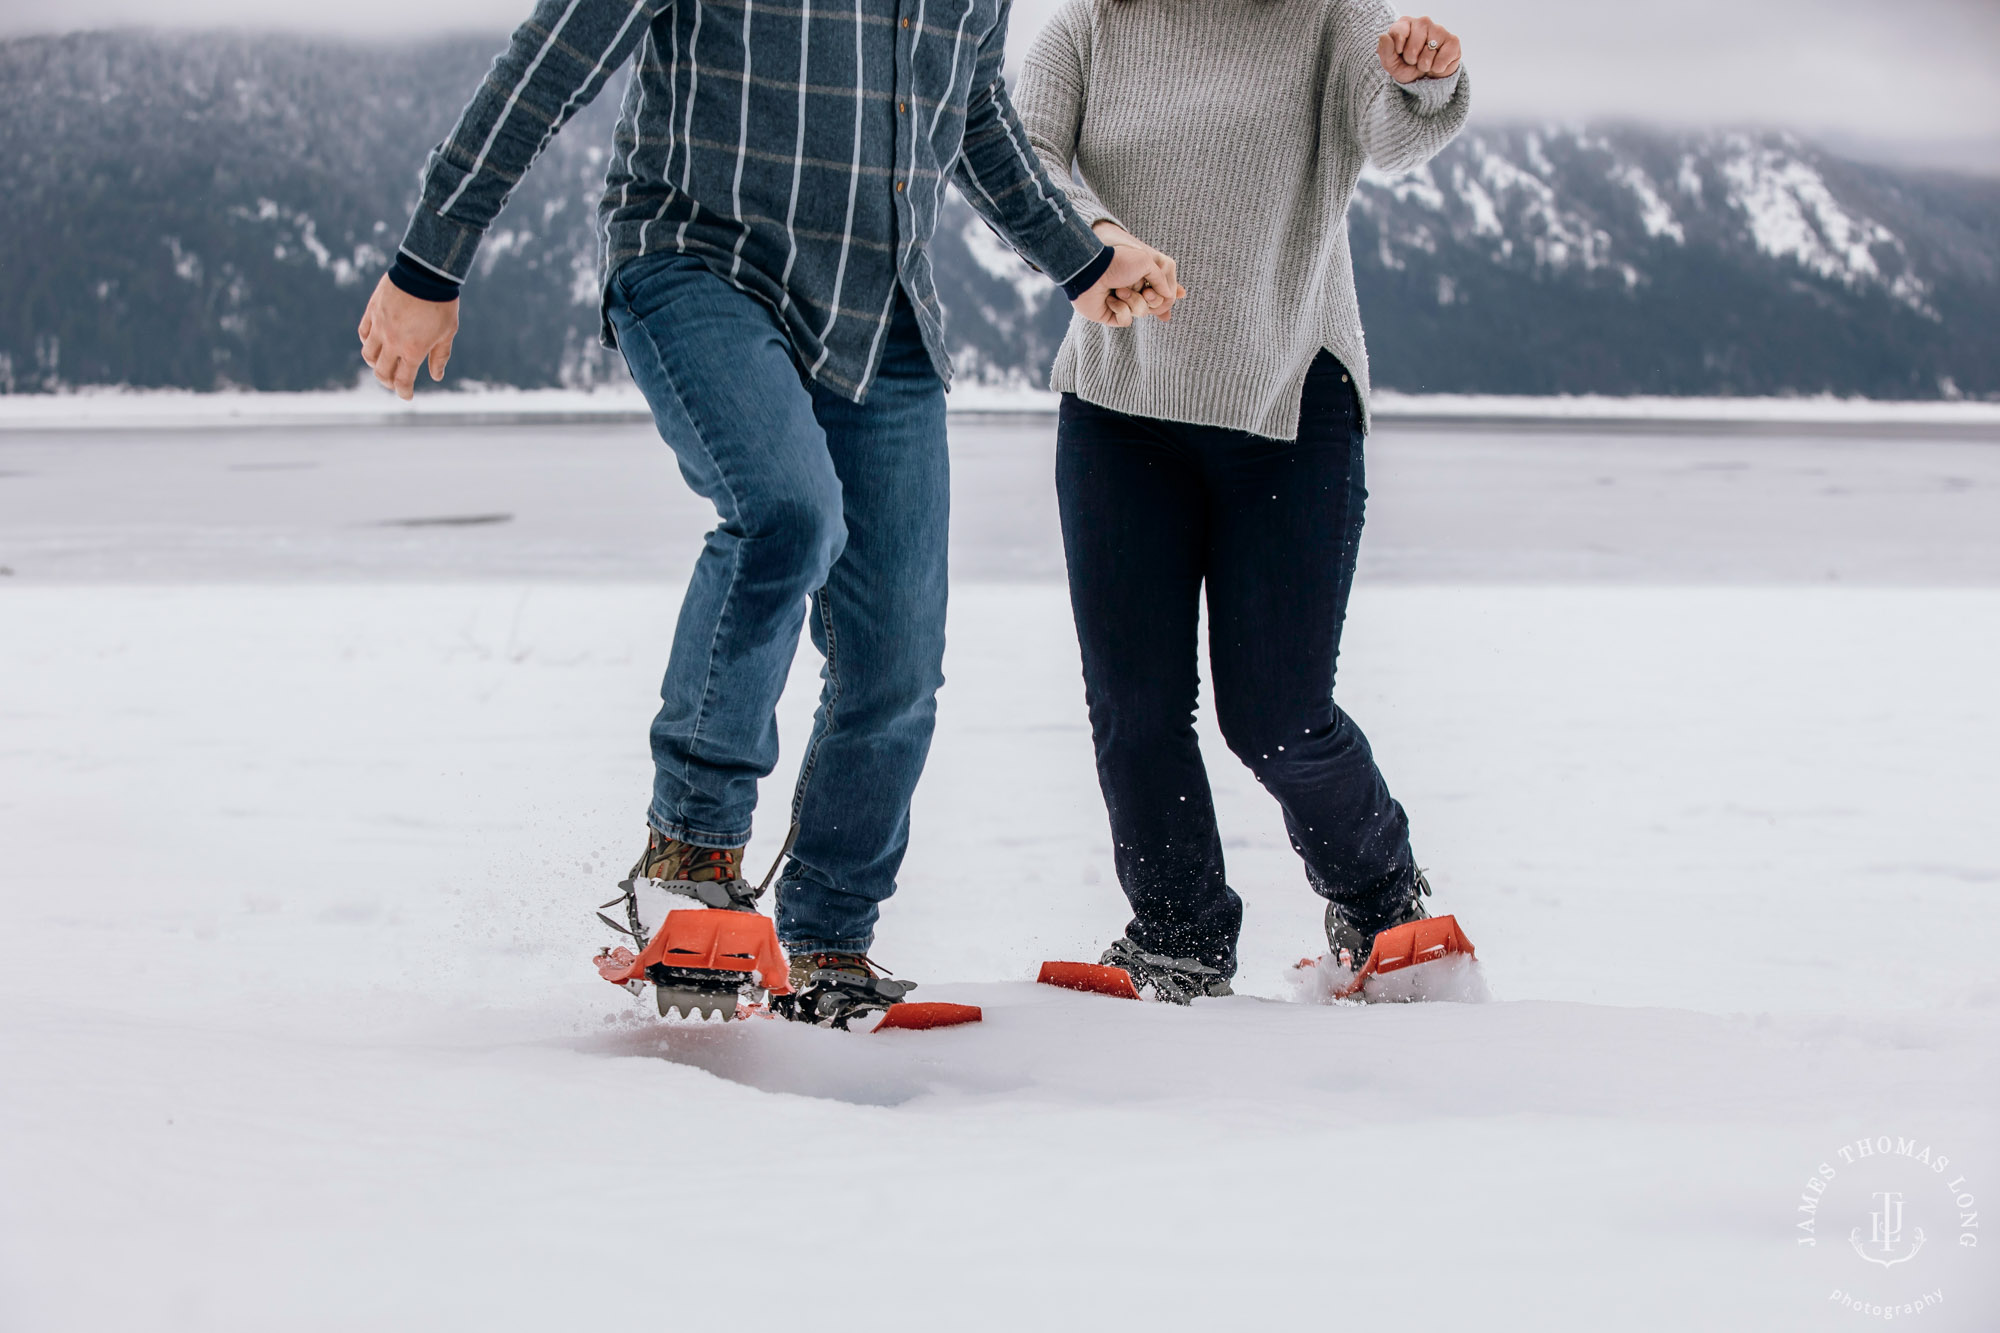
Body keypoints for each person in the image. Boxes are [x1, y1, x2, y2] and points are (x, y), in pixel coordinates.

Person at [355, 0, 1183, 1018]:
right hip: (698, 261)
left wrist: (1083, 258)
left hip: (879, 311)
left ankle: (826, 938)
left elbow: (970, 114)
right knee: (785, 512)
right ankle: (688, 856)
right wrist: (431, 257)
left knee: (895, 664)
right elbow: (551, 59)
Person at [1014, 3, 1470, 1000]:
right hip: (1117, 406)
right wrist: (1092, 235)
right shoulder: (1089, 30)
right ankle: (1177, 930)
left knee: (1274, 714)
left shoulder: (1329, 21)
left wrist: (1420, 79)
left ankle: (1379, 898)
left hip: (1288, 399)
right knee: (1133, 706)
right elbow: (1017, 152)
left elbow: (1392, 134)